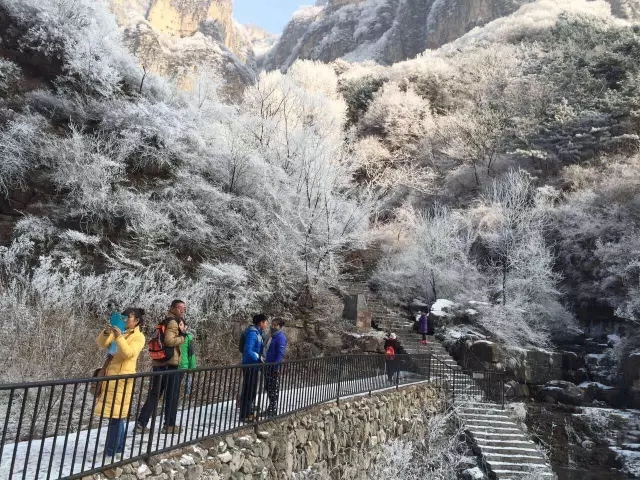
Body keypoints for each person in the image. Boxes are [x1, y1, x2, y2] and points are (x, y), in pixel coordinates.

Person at [95, 308, 146, 460]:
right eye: (123, 318)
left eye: (128, 318)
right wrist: (106, 332)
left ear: (136, 321)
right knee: (116, 417)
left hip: (122, 380)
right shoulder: (121, 331)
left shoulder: (139, 337)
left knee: (116, 417)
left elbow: (129, 353)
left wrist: (118, 337)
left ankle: (110, 452)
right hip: (111, 377)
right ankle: (117, 450)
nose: (125, 320)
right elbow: (102, 344)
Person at [135, 300, 186, 435]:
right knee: (171, 395)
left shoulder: (163, 321)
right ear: (173, 308)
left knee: (154, 394)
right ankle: (169, 425)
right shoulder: (173, 322)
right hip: (169, 363)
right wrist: (183, 337)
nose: (182, 310)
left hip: (159, 363)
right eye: (180, 308)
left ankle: (141, 423)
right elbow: (169, 341)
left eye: (184, 308)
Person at [239, 314, 267, 422]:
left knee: (252, 390)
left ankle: (248, 412)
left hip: (253, 365)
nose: (266, 324)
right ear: (261, 323)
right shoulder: (252, 333)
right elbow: (248, 350)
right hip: (249, 365)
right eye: (265, 322)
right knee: (248, 390)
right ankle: (244, 415)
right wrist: (258, 358)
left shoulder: (258, 332)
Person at [263, 318, 287, 418]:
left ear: (280, 326)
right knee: (268, 387)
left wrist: (276, 368)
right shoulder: (271, 336)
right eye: (272, 324)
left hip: (272, 366)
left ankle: (273, 408)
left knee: (273, 388)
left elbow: (280, 354)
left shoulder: (280, 337)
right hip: (267, 365)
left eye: (275, 325)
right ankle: (271, 407)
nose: (272, 326)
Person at [178, 320, 197, 396]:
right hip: (181, 365)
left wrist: (192, 367)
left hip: (181, 365)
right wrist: (192, 367)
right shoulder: (188, 337)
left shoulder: (188, 338)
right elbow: (191, 354)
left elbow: (191, 354)